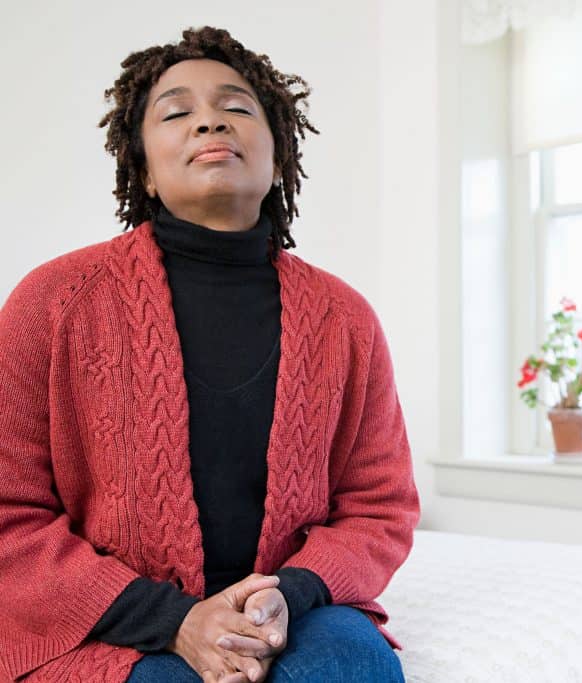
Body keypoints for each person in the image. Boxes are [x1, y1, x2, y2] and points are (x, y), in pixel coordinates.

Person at [0, 26, 420, 683]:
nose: (209, 122)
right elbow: (9, 517)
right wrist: (175, 620)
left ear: (279, 155)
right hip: (109, 623)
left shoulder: (346, 320)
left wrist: (294, 590)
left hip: (293, 610)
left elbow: (379, 508)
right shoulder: (51, 303)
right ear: (140, 165)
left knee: (347, 666)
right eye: (176, 112)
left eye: (236, 106)